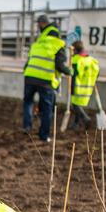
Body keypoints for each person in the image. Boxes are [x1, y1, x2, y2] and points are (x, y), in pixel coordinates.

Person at [23, 15, 71, 143]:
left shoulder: (37, 44)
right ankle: (43, 136)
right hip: (45, 81)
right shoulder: (58, 45)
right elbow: (59, 66)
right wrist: (70, 71)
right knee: (47, 109)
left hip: (29, 77)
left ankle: (27, 126)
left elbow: (28, 62)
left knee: (28, 102)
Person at [70, 41, 99, 131]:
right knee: (79, 105)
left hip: (78, 86)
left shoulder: (77, 60)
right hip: (88, 87)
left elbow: (74, 75)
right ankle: (76, 124)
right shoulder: (92, 60)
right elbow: (97, 73)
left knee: (75, 105)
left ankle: (86, 118)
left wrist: (72, 88)